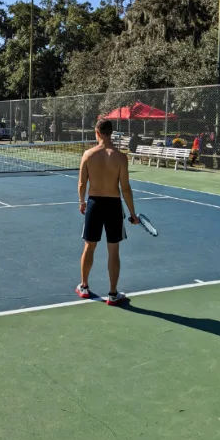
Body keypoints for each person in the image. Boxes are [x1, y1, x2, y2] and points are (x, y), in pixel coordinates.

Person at [76, 119, 139, 305]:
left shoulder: (88, 155)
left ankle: (84, 287)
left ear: (97, 132)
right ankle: (112, 294)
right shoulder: (120, 157)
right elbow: (125, 188)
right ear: (111, 133)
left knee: (89, 245)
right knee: (113, 249)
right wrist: (132, 213)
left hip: (94, 204)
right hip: (113, 205)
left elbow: (82, 183)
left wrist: (81, 201)